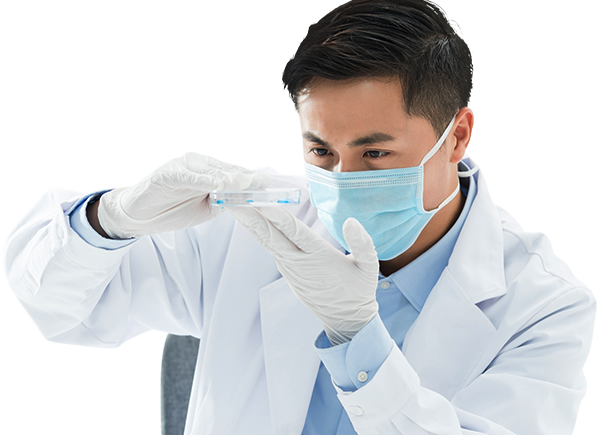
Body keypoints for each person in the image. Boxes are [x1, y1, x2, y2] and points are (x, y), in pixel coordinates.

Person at [3, 1, 596, 434]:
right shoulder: (253, 228)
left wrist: (359, 341)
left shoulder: (544, 308)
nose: (342, 180)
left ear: (457, 135)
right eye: (320, 151)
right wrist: (109, 222)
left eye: (374, 153)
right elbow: (58, 309)